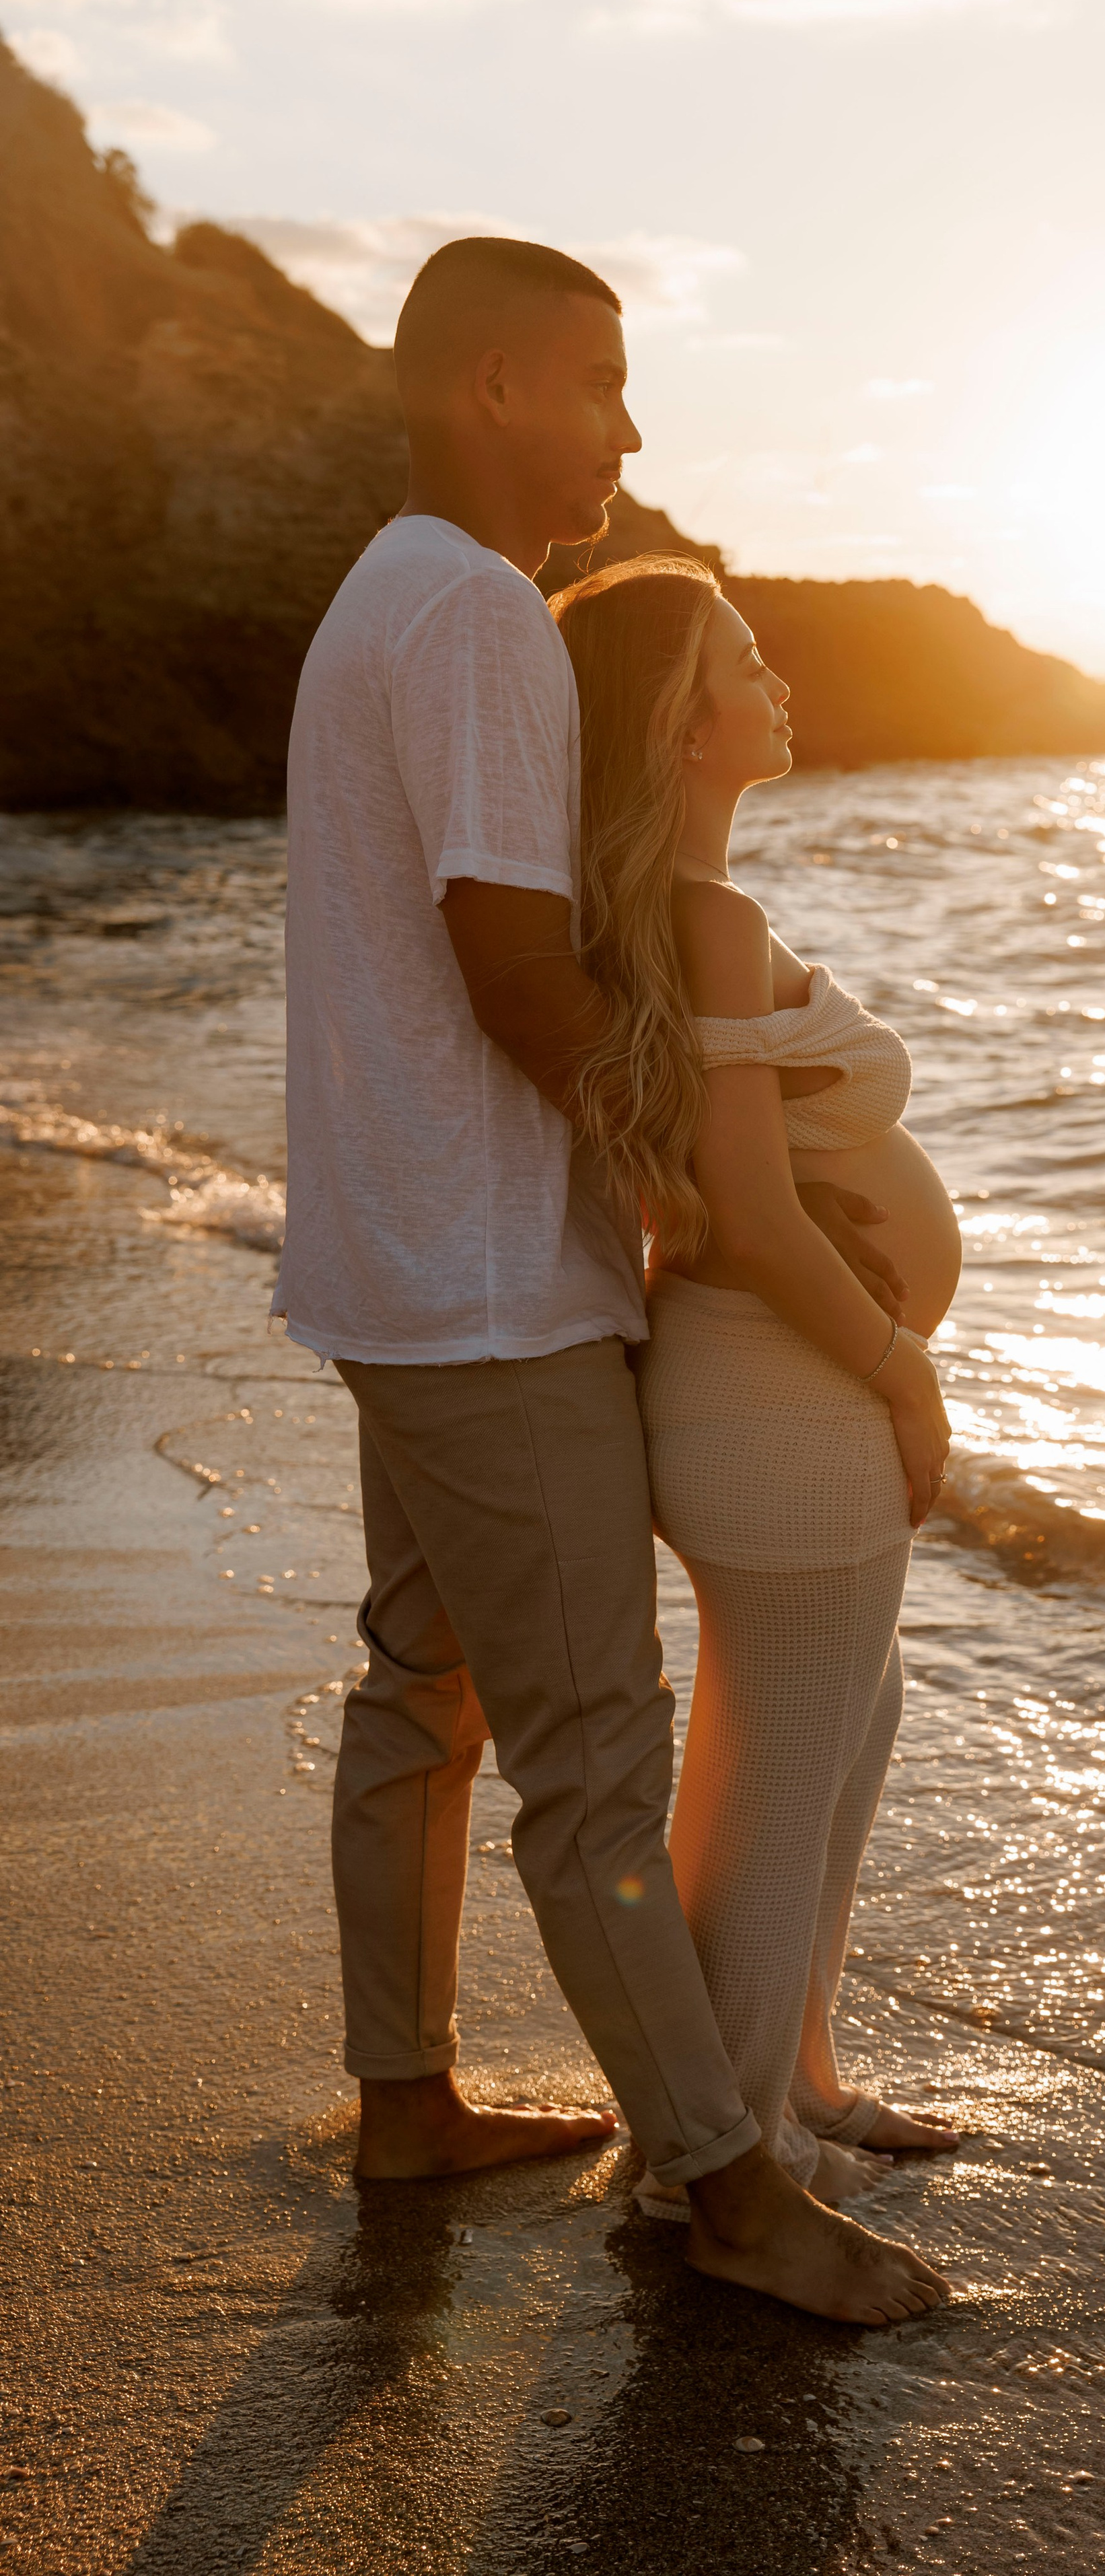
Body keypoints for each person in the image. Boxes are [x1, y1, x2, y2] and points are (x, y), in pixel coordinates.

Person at [271, 234, 948, 2327]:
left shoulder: (382, 594)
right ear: (491, 386)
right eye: (600, 384)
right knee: (591, 1762)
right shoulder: (476, 613)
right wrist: (671, 1163)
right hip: (492, 1288)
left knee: (423, 1697)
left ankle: (405, 2098)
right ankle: (734, 2193)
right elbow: (508, 953)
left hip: (400, 1263)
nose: (630, 430)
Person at [551, 554, 963, 2216]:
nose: (774, 677)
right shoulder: (704, 921)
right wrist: (903, 1371)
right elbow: (739, 1212)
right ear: (676, 718)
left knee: (834, 1731)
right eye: (741, 657)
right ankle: (723, 2175)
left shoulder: (690, 913)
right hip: (784, 1405)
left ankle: (792, 2086)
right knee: (785, 1770)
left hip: (769, 1404)